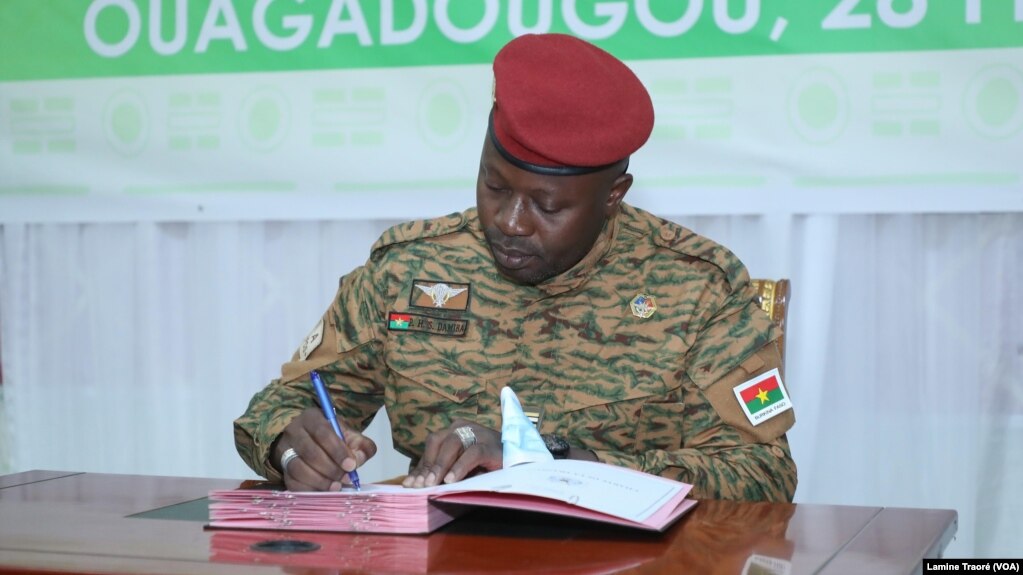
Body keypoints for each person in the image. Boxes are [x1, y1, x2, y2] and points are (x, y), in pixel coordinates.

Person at [234, 33, 797, 502]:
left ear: (613, 195)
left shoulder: (699, 288)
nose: (510, 221)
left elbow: (763, 473)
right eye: (494, 185)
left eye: (548, 207)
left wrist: (555, 462)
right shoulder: (408, 270)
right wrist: (290, 446)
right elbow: (285, 403)